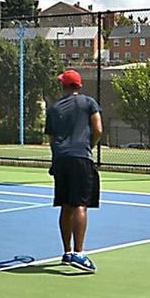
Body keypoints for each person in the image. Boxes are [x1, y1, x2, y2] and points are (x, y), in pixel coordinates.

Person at [45, 69, 102, 271]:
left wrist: (57, 158)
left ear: (63, 85)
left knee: (66, 205)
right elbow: (98, 129)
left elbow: (51, 139)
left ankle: (67, 252)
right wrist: (89, 146)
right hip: (80, 158)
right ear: (79, 85)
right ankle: (79, 254)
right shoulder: (89, 102)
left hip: (61, 159)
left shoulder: (53, 108)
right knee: (80, 205)